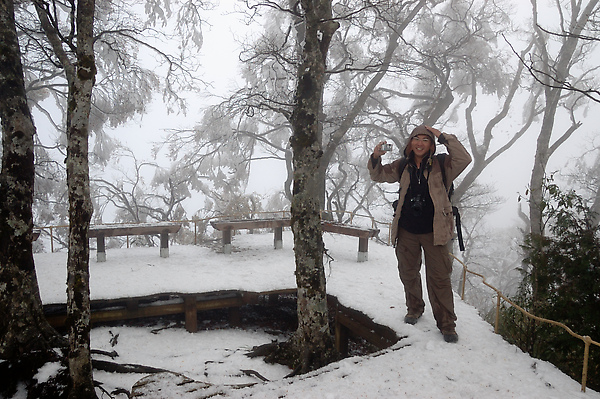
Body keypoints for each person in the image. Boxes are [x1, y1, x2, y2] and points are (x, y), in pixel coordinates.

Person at [368, 125, 472, 343]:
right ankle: (414, 309)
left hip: (436, 231)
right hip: (407, 230)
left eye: (426, 139)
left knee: (440, 278)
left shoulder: (443, 164)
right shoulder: (403, 165)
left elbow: (464, 158)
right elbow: (378, 175)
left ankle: (446, 324)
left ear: (431, 145)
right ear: (410, 143)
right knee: (408, 272)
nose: (420, 143)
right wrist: (376, 157)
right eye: (416, 139)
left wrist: (441, 135)